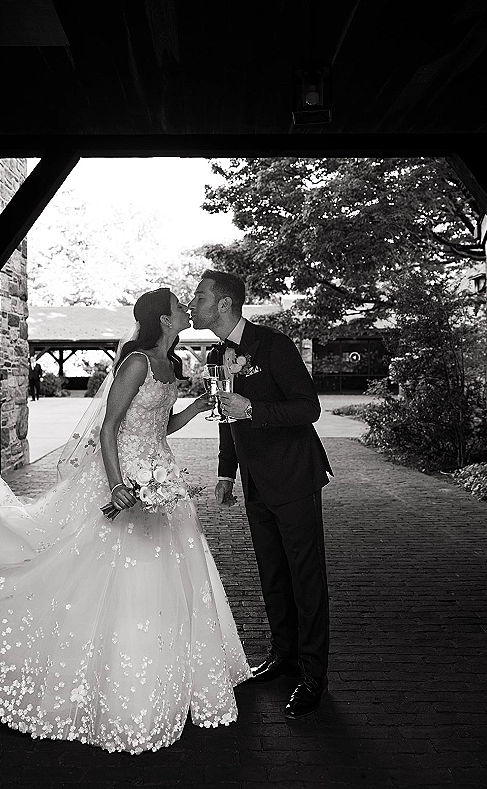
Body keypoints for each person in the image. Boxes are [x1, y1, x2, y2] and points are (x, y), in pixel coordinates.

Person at [0, 288, 251, 755]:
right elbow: (109, 427)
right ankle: (113, 690)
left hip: (160, 476)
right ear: (163, 317)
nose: (185, 309)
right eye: (178, 305)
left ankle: (173, 679)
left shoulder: (171, 365)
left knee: (174, 579)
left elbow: (160, 426)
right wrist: (118, 484)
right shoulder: (136, 362)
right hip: (124, 476)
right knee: (114, 575)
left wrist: (198, 406)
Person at [188, 270, 332, 719]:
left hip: (293, 478)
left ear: (225, 303)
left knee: (305, 578)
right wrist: (226, 473)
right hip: (254, 482)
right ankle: (283, 655)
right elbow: (226, 415)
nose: (193, 304)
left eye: (200, 296)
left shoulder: (274, 346)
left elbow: (309, 407)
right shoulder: (216, 354)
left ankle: (313, 676)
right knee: (272, 574)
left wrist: (254, 407)